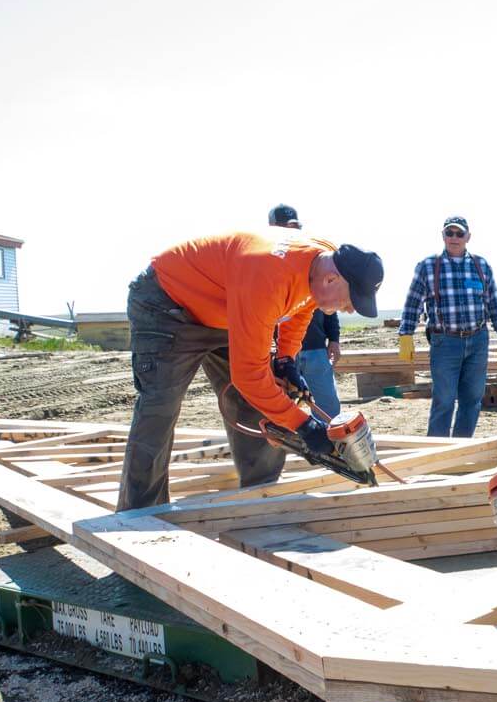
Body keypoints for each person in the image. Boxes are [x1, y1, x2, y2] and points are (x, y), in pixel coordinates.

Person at [118, 230, 382, 511]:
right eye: (349, 300)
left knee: (259, 406)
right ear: (332, 278)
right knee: (161, 406)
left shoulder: (321, 259)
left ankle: (260, 499)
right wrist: (303, 425)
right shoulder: (268, 276)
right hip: (167, 303)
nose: (350, 309)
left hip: (227, 307)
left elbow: (304, 305)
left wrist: (285, 360)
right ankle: (138, 514)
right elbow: (249, 377)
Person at [397, 215, 497, 437]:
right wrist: (406, 334)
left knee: (472, 400)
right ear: (443, 235)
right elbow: (413, 303)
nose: (454, 237)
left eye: (459, 233)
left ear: (468, 237)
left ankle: (461, 447)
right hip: (445, 342)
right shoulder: (428, 266)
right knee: (444, 401)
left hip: (478, 340)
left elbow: (494, 303)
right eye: (449, 233)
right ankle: (437, 451)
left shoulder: (481, 266)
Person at [266, 205, 342, 420]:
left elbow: (329, 306)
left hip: (315, 347)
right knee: (283, 407)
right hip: (282, 353)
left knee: (328, 407)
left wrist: (334, 339)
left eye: (293, 227)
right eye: (283, 227)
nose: (289, 232)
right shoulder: (266, 267)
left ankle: (331, 447)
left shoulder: (314, 261)